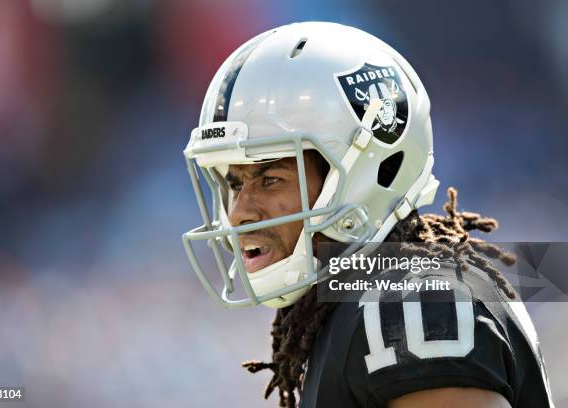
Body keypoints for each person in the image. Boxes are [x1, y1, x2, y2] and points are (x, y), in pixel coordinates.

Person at [182, 22, 554, 407]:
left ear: (370, 170)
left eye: (271, 178)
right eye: (235, 184)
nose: (240, 212)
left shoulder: (412, 301)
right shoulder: (351, 301)